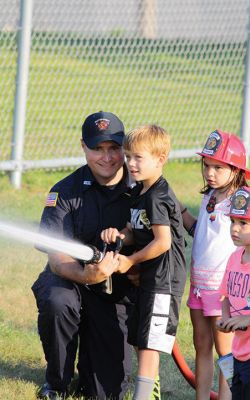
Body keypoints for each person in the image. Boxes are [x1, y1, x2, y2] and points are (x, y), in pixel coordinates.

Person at [31, 111, 138, 400]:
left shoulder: (141, 189)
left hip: (115, 291)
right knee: (58, 302)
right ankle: (57, 382)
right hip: (69, 279)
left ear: (124, 147)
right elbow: (57, 258)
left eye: (114, 148)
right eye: (97, 149)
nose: (107, 157)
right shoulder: (64, 192)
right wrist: (86, 275)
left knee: (106, 391)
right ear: (83, 147)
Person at [101, 124, 187, 400]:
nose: (131, 163)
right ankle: (150, 391)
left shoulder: (158, 196)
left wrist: (130, 260)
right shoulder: (141, 191)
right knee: (140, 337)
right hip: (150, 278)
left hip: (163, 280)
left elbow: (162, 242)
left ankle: (143, 395)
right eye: (128, 156)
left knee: (150, 344)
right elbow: (134, 227)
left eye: (139, 157)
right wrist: (121, 236)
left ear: (160, 159)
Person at [187, 130, 250, 400]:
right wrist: (179, 212)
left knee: (226, 353)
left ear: (236, 169)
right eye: (206, 165)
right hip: (199, 286)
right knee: (202, 346)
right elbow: (201, 233)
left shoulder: (239, 203)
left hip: (223, 290)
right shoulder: (209, 197)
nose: (210, 172)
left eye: (218, 167)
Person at [217, 186, 250, 400]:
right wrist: (226, 318)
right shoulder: (234, 258)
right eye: (232, 222)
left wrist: (245, 319)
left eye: (243, 223)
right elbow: (226, 295)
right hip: (239, 351)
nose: (234, 229)